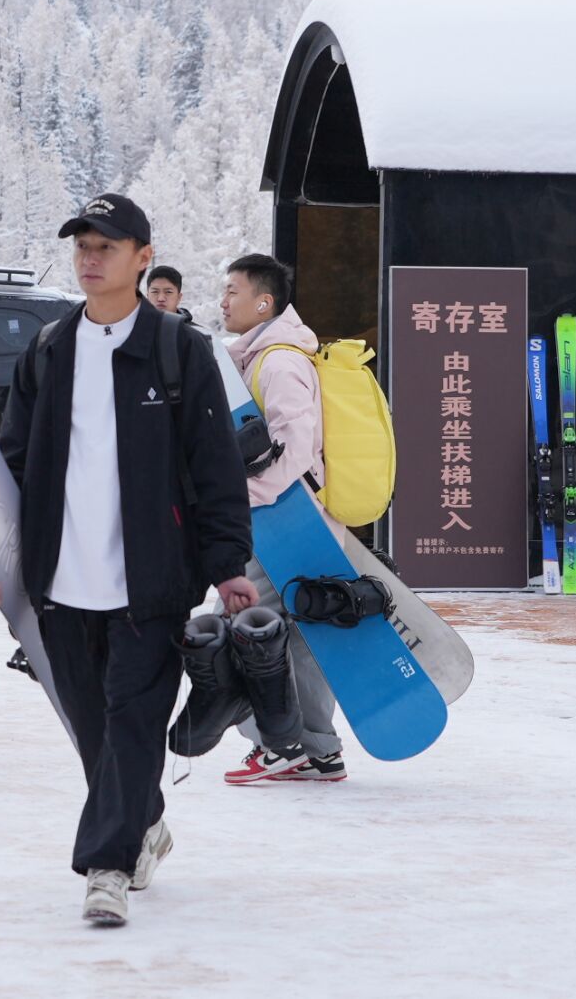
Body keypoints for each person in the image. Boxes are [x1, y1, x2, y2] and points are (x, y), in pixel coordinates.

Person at [0, 193, 257, 927]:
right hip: (60, 583)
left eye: (106, 246)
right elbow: (11, 463)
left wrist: (228, 562)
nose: (90, 258)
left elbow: (215, 467)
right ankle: (146, 821)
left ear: (143, 257)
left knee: (132, 723)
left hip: (152, 582)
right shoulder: (49, 351)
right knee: (97, 734)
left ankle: (106, 867)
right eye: (82, 246)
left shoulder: (179, 350)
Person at [215, 253, 348, 784]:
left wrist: (236, 497)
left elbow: (292, 450)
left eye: (233, 291)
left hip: (283, 521)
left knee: (242, 629)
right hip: (294, 520)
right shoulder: (265, 357)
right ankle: (317, 749)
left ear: (263, 302)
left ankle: (282, 745)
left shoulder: (279, 363)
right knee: (297, 637)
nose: (224, 301)